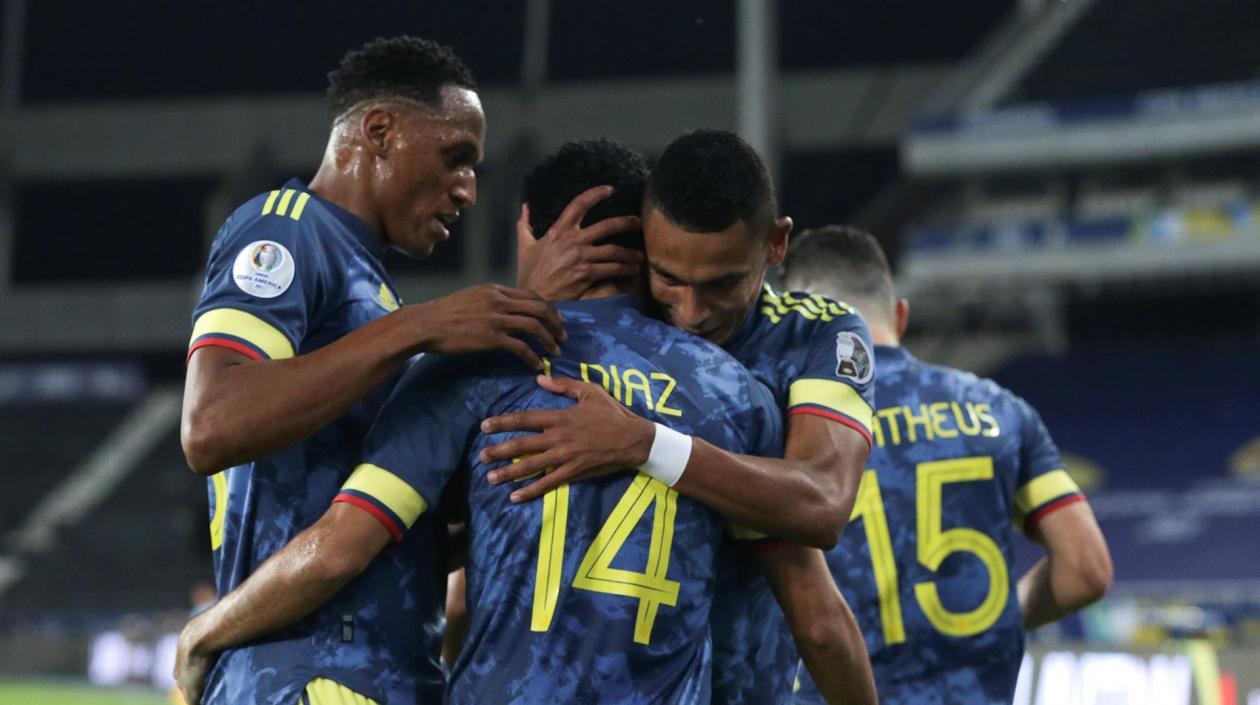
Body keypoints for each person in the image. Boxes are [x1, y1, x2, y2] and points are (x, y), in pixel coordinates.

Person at [173, 138, 787, 704]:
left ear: (527, 229)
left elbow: (341, 548)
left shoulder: (478, 368)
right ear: (648, 250)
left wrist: (208, 629)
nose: (464, 188)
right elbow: (786, 614)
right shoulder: (735, 393)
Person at [175, 37, 639, 705]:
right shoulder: (287, 230)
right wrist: (420, 327)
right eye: (456, 157)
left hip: (380, 676)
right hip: (308, 672)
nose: (468, 189)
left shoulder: (374, 291)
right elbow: (211, 423)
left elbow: (398, 521)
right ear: (380, 132)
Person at [484, 129, 878, 704]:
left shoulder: (816, 334)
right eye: (668, 278)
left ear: (776, 244)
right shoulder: (606, 324)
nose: (692, 313)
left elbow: (821, 502)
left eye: (724, 283)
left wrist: (646, 444)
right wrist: (531, 295)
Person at [781, 226, 1113, 705]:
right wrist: (992, 618)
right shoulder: (1000, 409)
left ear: (801, 328)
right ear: (900, 314)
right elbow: (1087, 569)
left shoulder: (791, 424)